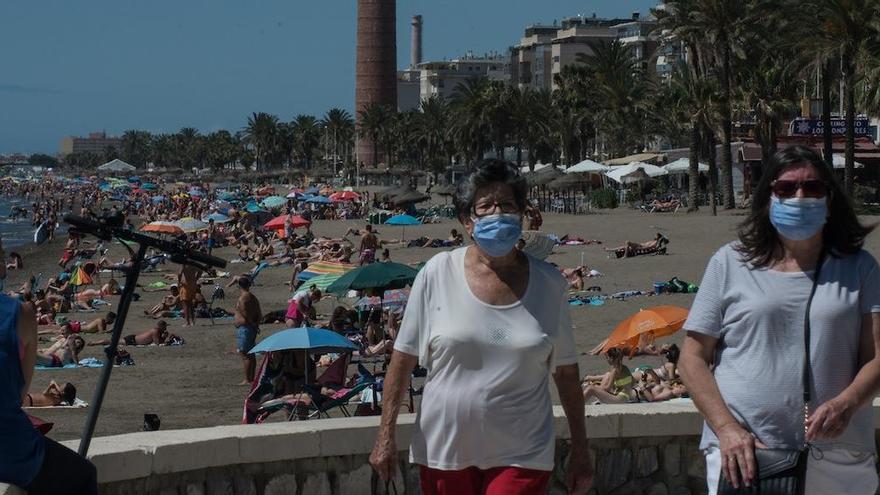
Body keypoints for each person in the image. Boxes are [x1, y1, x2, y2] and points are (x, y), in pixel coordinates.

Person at [369, 159, 592, 495]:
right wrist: (385, 436)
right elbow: (402, 361)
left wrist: (580, 447)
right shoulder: (437, 273)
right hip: (444, 450)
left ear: (521, 214)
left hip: (524, 452)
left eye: (506, 205)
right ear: (467, 221)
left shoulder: (550, 285)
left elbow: (567, 374)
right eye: (485, 206)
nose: (497, 214)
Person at [679, 146, 880, 494]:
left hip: (840, 459)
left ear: (829, 199)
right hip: (747, 456)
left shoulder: (861, 268)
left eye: (812, 188)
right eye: (786, 188)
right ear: (767, 197)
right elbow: (691, 359)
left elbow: (877, 357)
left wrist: (846, 403)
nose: (800, 197)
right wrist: (727, 429)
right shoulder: (728, 263)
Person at [0, 293, 98, 493]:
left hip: (51, 362)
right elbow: (19, 396)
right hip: (10, 448)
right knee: (83, 475)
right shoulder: (20, 314)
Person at [234, 276, 263, 385]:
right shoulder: (253, 297)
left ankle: (247, 379)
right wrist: (256, 324)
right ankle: (251, 378)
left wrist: (252, 323)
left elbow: (245, 313)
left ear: (239, 286)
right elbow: (259, 312)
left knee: (245, 354)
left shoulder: (243, 298)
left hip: (245, 328)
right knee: (251, 354)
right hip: (250, 327)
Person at [88, 320, 178, 347]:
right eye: (165, 326)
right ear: (161, 326)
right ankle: (94, 343)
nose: (166, 328)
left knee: (113, 341)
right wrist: (166, 338)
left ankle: (95, 343)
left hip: (134, 339)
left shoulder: (157, 331)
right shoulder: (156, 331)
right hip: (132, 340)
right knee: (112, 342)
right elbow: (158, 343)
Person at [179, 263, 203, 327]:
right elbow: (200, 271)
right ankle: (192, 321)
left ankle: (187, 322)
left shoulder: (184, 264)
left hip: (185, 285)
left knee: (185, 306)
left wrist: (179, 281)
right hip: (192, 285)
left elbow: (179, 273)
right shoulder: (194, 264)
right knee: (191, 304)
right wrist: (196, 278)